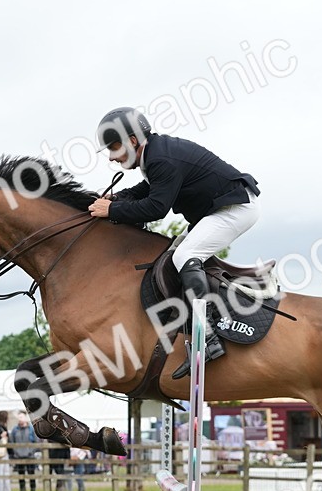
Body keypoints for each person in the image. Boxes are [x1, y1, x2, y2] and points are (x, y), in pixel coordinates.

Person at [89, 106, 261, 379]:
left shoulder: (160, 159)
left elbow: (156, 208)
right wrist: (115, 199)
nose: (111, 157)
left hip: (235, 210)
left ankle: (207, 336)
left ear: (133, 140)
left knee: (183, 257)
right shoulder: (154, 154)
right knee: (169, 257)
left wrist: (111, 211)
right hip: (219, 209)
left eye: (114, 147)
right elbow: (146, 189)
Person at [8, 412, 39, 491]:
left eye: (21, 417)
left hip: (30, 456)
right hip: (19, 456)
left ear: (25, 418)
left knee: (31, 475)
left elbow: (36, 442)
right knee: (21, 475)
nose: (20, 419)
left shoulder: (31, 429)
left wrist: (31, 451)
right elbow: (12, 442)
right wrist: (16, 452)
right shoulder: (15, 430)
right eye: (19, 417)